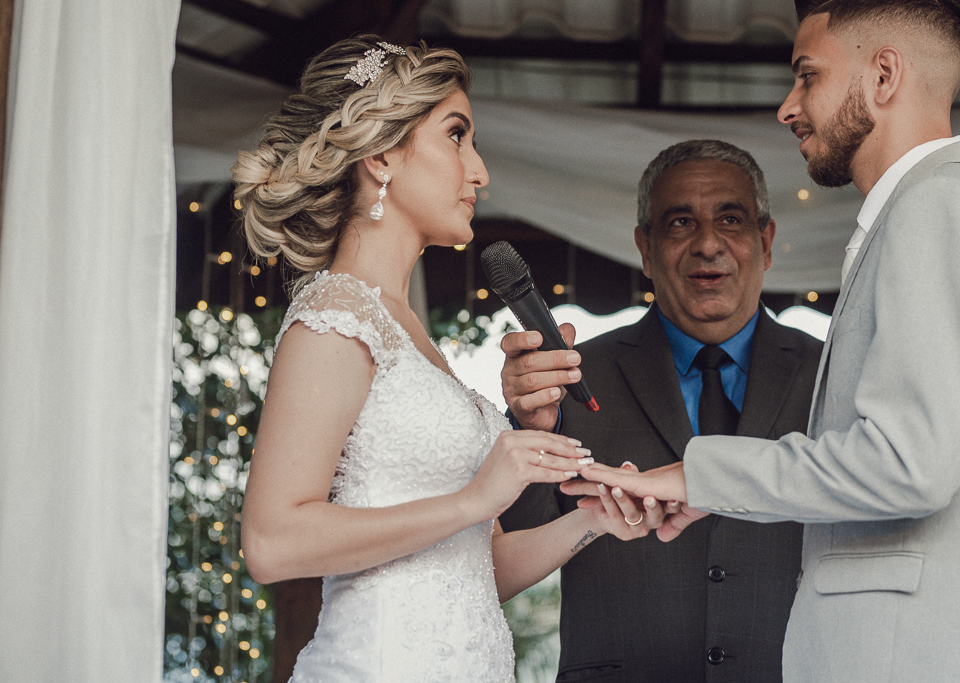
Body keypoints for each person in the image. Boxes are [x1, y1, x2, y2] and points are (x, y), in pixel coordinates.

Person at [580, 0, 960, 683]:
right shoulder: (949, 210)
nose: (789, 107)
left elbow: (908, 463)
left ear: (883, 76)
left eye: (807, 75)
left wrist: (702, 474)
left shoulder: (937, 210)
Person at [232, 36, 658, 683]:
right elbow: (271, 542)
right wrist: (475, 497)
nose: (479, 171)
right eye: (457, 135)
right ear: (380, 154)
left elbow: (472, 569)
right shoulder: (336, 315)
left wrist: (592, 521)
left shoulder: (410, 332)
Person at [499, 140, 824, 682]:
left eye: (731, 218)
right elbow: (511, 544)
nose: (707, 243)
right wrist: (533, 430)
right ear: (645, 248)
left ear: (765, 242)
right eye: (679, 222)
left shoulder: (830, 376)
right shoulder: (574, 377)